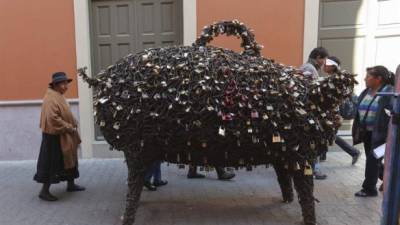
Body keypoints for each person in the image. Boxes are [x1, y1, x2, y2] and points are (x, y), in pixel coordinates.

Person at [34, 72, 85, 201]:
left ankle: (71, 184)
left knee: (70, 158)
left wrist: (72, 122)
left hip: (63, 133)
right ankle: (44, 191)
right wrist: (68, 127)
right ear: (56, 85)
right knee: (52, 163)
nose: (66, 86)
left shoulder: (58, 95)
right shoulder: (51, 98)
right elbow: (53, 119)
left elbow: (64, 113)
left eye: (66, 83)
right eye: (63, 84)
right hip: (54, 136)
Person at [352, 65, 394, 197]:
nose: (365, 79)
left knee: (372, 160)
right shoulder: (366, 92)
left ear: (378, 79)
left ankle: (369, 189)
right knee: (374, 161)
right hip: (368, 134)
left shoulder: (389, 93)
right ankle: (390, 181)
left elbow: (392, 113)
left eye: (368, 76)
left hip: (382, 135)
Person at [322, 56, 361, 165]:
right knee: (327, 133)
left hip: (335, 112)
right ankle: (322, 155)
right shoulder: (332, 77)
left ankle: (354, 152)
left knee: (329, 133)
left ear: (333, 66)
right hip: (332, 111)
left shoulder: (337, 78)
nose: (324, 66)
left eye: (327, 64)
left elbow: (337, 96)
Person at [300, 47, 329, 180]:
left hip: (308, 110)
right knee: (313, 141)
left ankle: (312, 168)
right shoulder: (309, 68)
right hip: (310, 110)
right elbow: (310, 89)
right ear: (318, 57)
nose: (324, 62)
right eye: (323, 59)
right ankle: (313, 169)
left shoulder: (309, 67)